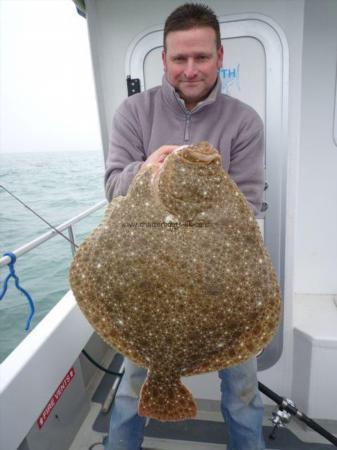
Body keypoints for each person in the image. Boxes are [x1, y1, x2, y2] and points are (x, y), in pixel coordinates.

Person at [104, 3, 265, 450]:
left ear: (219, 56)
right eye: (180, 58)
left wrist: (202, 186)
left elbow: (250, 203)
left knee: (243, 393)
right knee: (132, 388)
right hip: (148, 279)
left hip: (223, 282)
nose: (190, 69)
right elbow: (114, 185)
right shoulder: (134, 113)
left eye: (201, 57)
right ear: (164, 59)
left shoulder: (245, 121)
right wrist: (146, 169)